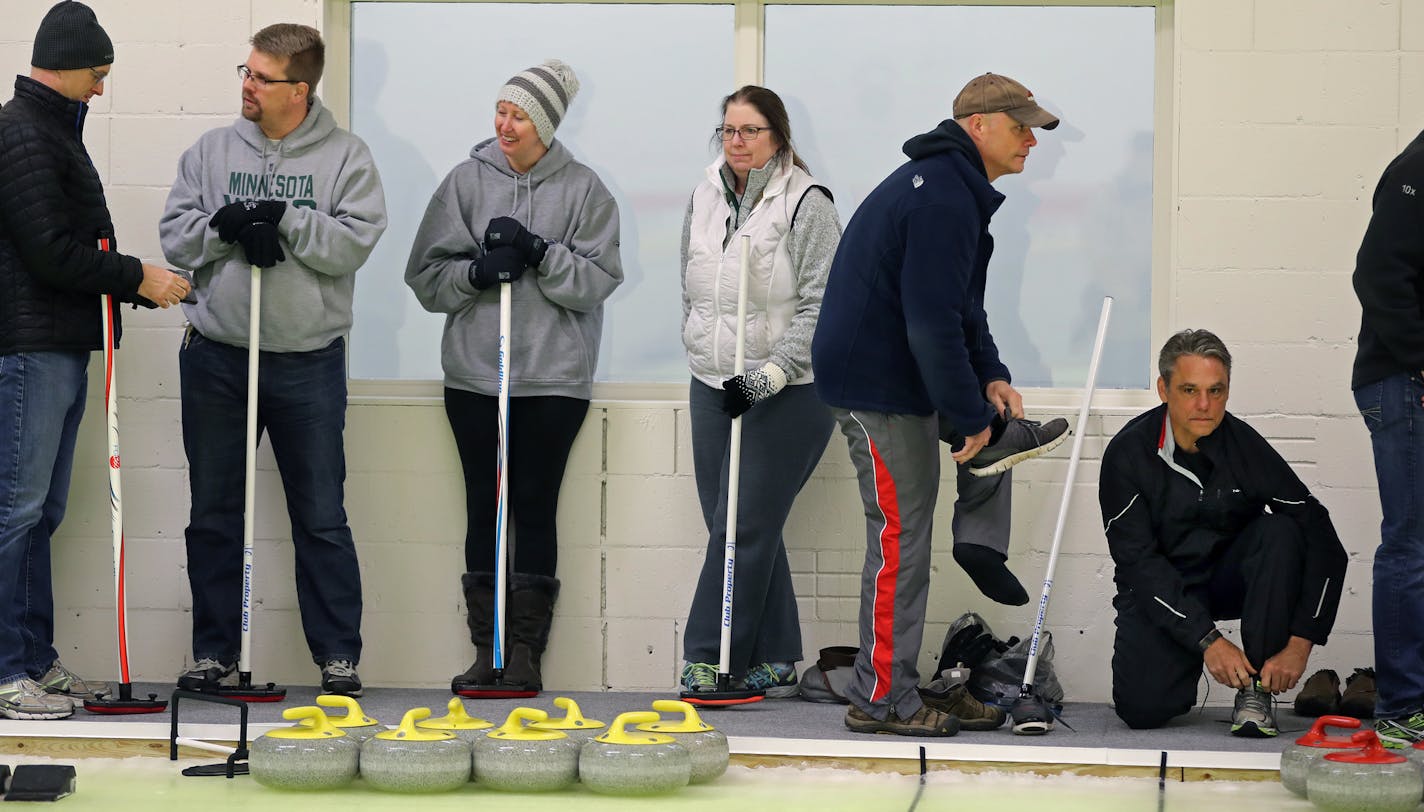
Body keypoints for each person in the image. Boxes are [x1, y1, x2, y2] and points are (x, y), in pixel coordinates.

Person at [812, 73, 1068, 736]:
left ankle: (894, 677)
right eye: (1021, 127)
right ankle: (880, 700)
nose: (1030, 142)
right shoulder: (943, 197)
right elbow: (929, 322)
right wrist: (974, 415)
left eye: (1034, 130)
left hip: (896, 379)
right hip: (876, 386)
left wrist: (991, 379)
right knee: (900, 541)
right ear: (978, 124)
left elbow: (960, 308)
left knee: (911, 532)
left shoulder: (951, 189)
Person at [159, 23, 387, 696]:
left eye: (261, 77)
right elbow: (177, 238)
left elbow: (351, 244)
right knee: (214, 512)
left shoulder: (347, 157)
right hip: (217, 357)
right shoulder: (210, 149)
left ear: (300, 88)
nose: (247, 86)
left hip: (307, 363)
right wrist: (225, 226)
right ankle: (213, 654)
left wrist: (283, 214)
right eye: (246, 71)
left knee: (320, 514)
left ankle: (338, 657)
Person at [0, 0, 192, 721]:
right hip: (29, 350)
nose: (102, 90)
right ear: (65, 64)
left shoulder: (50, 130)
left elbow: (78, 249)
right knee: (14, 512)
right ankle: (5, 672)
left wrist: (137, 286)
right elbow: (49, 252)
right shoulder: (21, 134)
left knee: (40, 512)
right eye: (97, 75)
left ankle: (33, 663)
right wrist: (136, 276)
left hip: (58, 343)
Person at [405, 59, 622, 695]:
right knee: (484, 508)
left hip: (553, 379)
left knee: (533, 506)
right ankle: (486, 649)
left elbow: (598, 282)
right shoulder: (463, 185)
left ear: (546, 124)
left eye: (519, 115)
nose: (505, 124)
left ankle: (524, 654)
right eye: (501, 110)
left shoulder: (585, 190)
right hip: (477, 378)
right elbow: (424, 278)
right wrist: (474, 274)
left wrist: (539, 254)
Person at [1099, 329, 1347, 737]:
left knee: (1281, 531)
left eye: (1217, 391)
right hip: (1163, 587)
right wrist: (1207, 639)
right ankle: (1179, 669)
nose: (1204, 405)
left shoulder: (1244, 445)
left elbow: (1323, 539)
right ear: (1163, 389)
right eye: (1190, 389)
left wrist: (1301, 643)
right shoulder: (1128, 454)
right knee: (1143, 711)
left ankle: (1257, 691)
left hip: (1228, 578)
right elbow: (1138, 564)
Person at [676, 86, 841, 698]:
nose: (736, 142)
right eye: (728, 130)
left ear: (779, 138)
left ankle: (710, 658)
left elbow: (827, 303)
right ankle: (775, 653)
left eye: (750, 131)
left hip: (790, 390)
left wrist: (770, 373)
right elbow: (692, 286)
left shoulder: (806, 204)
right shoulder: (704, 195)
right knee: (737, 524)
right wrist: (701, 350)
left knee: (740, 526)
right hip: (713, 383)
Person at [1351, 127, 1424, 747]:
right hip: (1403, 383)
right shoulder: (1419, 167)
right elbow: (1376, 274)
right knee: (1410, 544)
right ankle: (1403, 708)